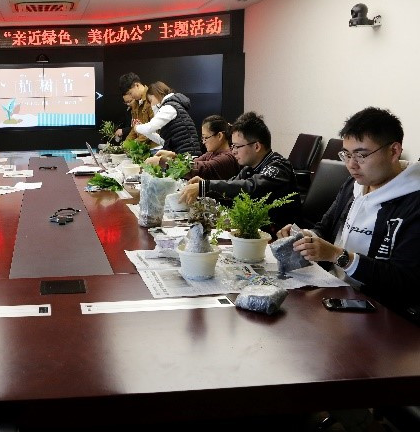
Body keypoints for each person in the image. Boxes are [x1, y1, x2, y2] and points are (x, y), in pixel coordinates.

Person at [278, 107, 420, 313]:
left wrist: (339, 256)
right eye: (346, 154)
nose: (351, 165)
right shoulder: (354, 185)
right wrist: (305, 237)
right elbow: (324, 228)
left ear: (394, 151)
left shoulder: (413, 201)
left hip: (377, 309)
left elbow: (405, 280)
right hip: (332, 290)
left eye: (361, 155)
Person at [180, 111, 299, 231]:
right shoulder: (249, 168)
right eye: (233, 146)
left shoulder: (279, 166)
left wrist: (205, 186)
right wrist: (204, 187)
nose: (234, 151)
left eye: (237, 146)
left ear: (257, 146)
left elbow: (251, 187)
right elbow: (231, 190)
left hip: (278, 235)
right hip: (250, 231)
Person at [148, 115, 240, 180]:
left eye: (206, 138)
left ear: (219, 136)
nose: (203, 142)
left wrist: (163, 162)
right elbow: (193, 163)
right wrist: (174, 156)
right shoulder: (211, 153)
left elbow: (200, 170)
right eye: (202, 138)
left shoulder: (228, 158)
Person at [133, 81, 201, 156]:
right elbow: (163, 141)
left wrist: (137, 128)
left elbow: (150, 127)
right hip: (185, 154)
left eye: (151, 101)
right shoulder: (172, 105)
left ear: (156, 94)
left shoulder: (169, 107)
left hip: (187, 155)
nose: (151, 105)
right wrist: (143, 131)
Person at [118, 72, 157, 148]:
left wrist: (133, 144)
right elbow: (134, 129)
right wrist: (125, 145)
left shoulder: (152, 98)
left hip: (155, 148)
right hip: (142, 147)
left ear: (137, 85)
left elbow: (152, 129)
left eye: (130, 93)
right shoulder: (135, 104)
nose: (131, 96)